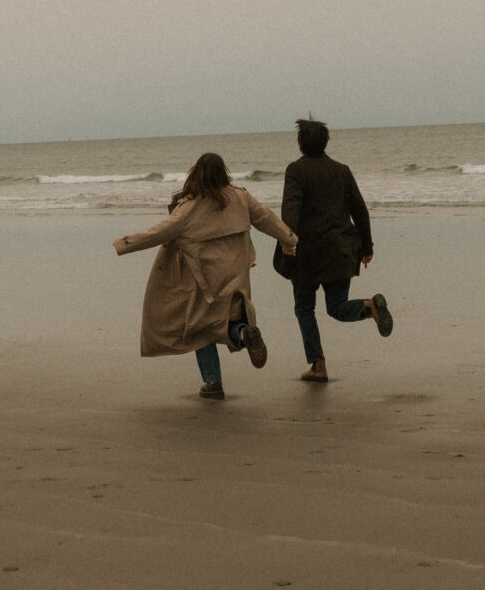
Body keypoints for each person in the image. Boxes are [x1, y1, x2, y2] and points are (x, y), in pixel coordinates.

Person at [113, 152, 298, 399]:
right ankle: (245, 334)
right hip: (236, 274)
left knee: (201, 329)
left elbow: (159, 232)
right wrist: (290, 239)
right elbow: (266, 218)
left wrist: (124, 244)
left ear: (196, 174)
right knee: (228, 322)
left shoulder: (189, 207)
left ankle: (213, 383)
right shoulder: (241, 197)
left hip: (204, 281)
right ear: (224, 173)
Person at [272, 118, 393, 382]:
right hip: (341, 248)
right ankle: (370, 306)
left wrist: (288, 240)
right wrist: (367, 246)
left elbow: (290, 206)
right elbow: (359, 210)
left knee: (305, 308)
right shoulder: (342, 170)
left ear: (301, 143)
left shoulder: (296, 170)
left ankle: (318, 365)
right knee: (337, 306)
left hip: (307, 254)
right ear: (326, 142)